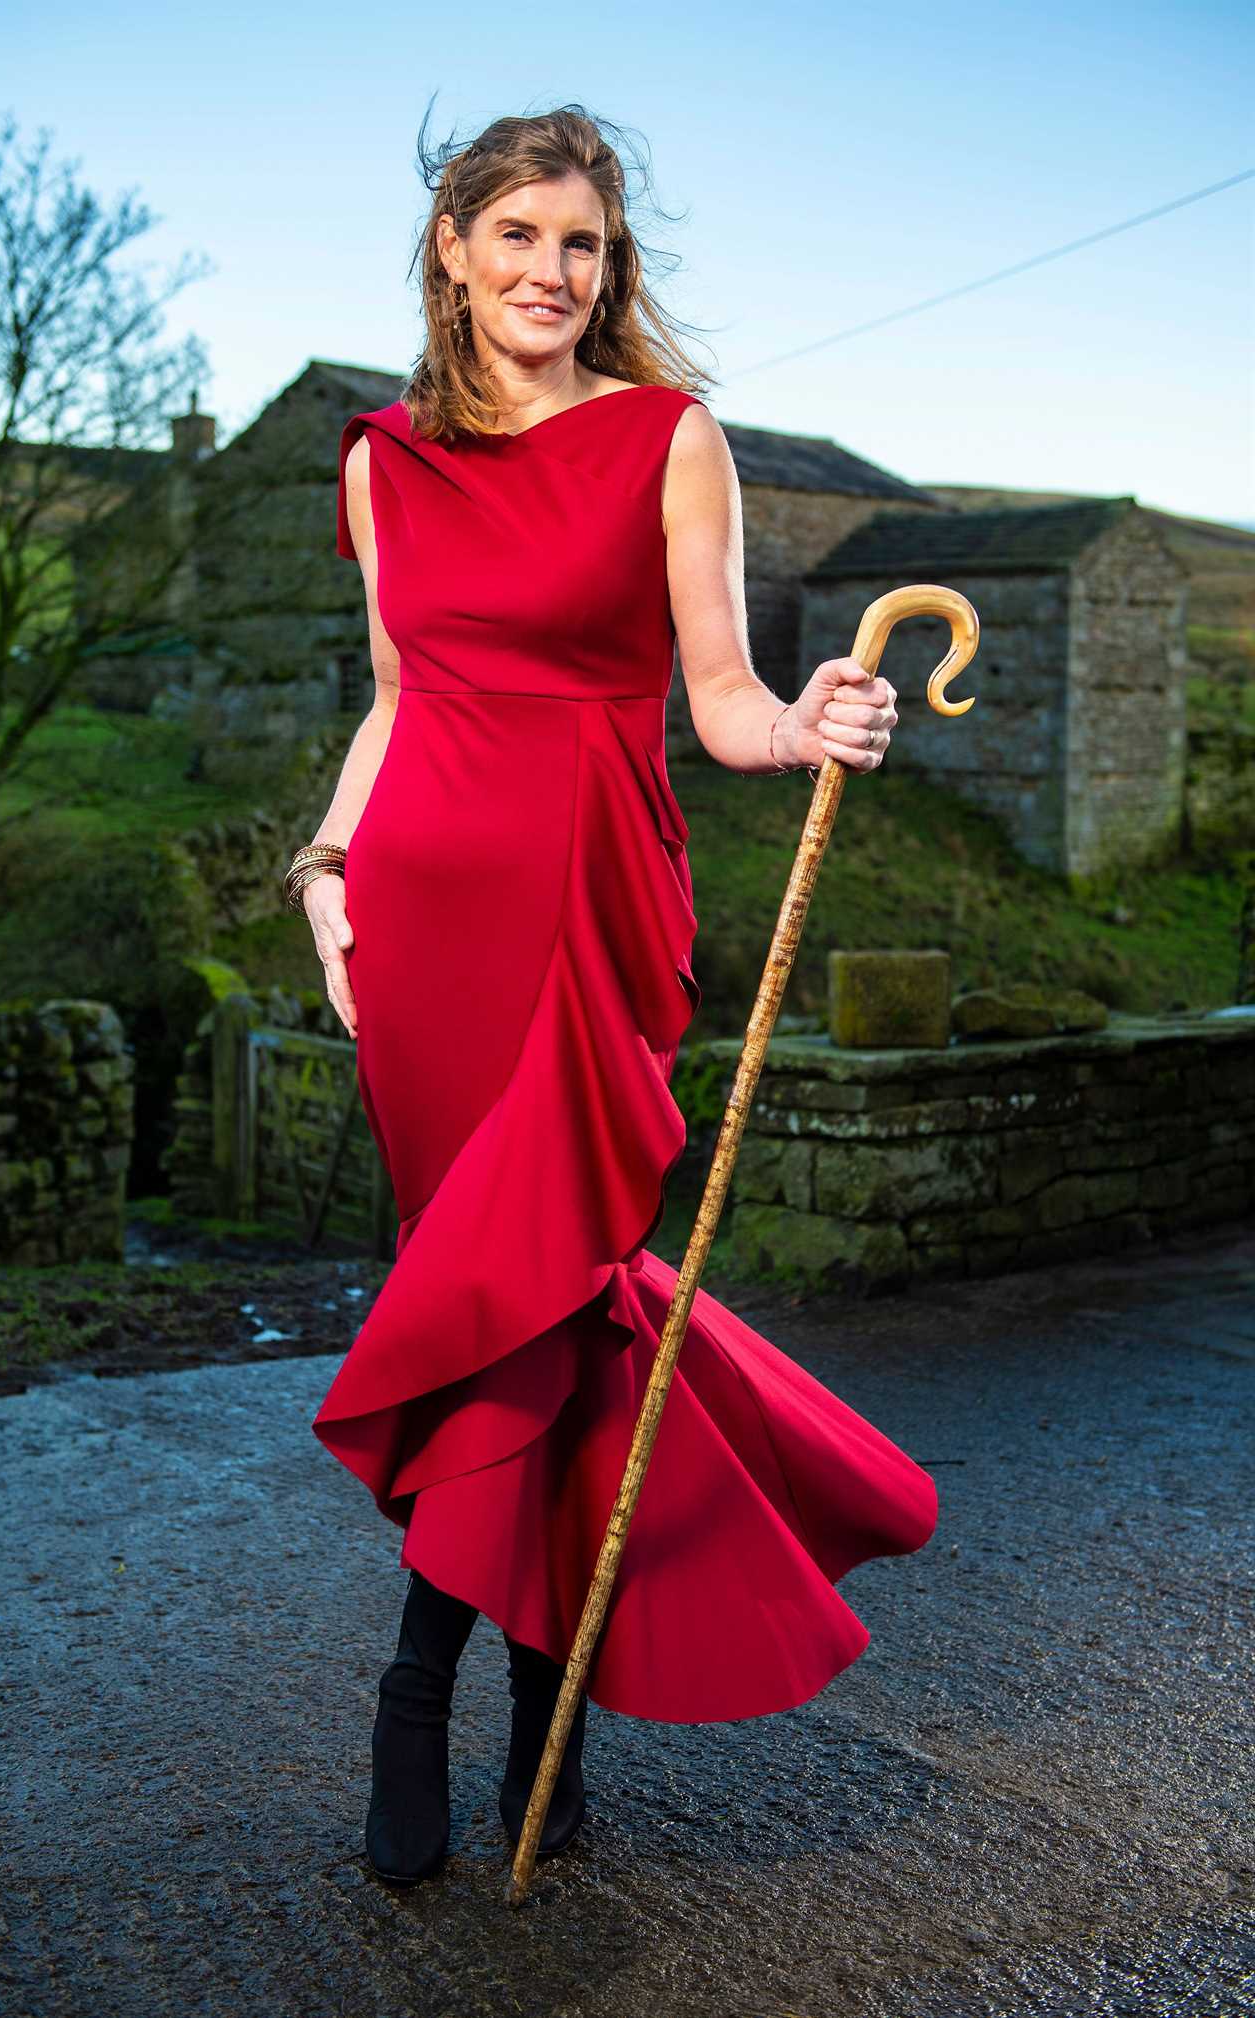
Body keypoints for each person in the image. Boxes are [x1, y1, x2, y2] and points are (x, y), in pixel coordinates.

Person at [290, 103, 938, 1888]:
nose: (549, 274)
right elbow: (399, 702)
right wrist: (322, 876)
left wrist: (809, 720)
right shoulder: (380, 462)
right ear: (454, 250)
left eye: (579, 245)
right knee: (470, 1309)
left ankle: (470, 1695)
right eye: (517, 237)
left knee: (559, 1306)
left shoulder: (670, 438)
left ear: (608, 266)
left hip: (588, 913)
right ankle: (472, 1707)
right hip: (422, 924)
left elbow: (720, 695)